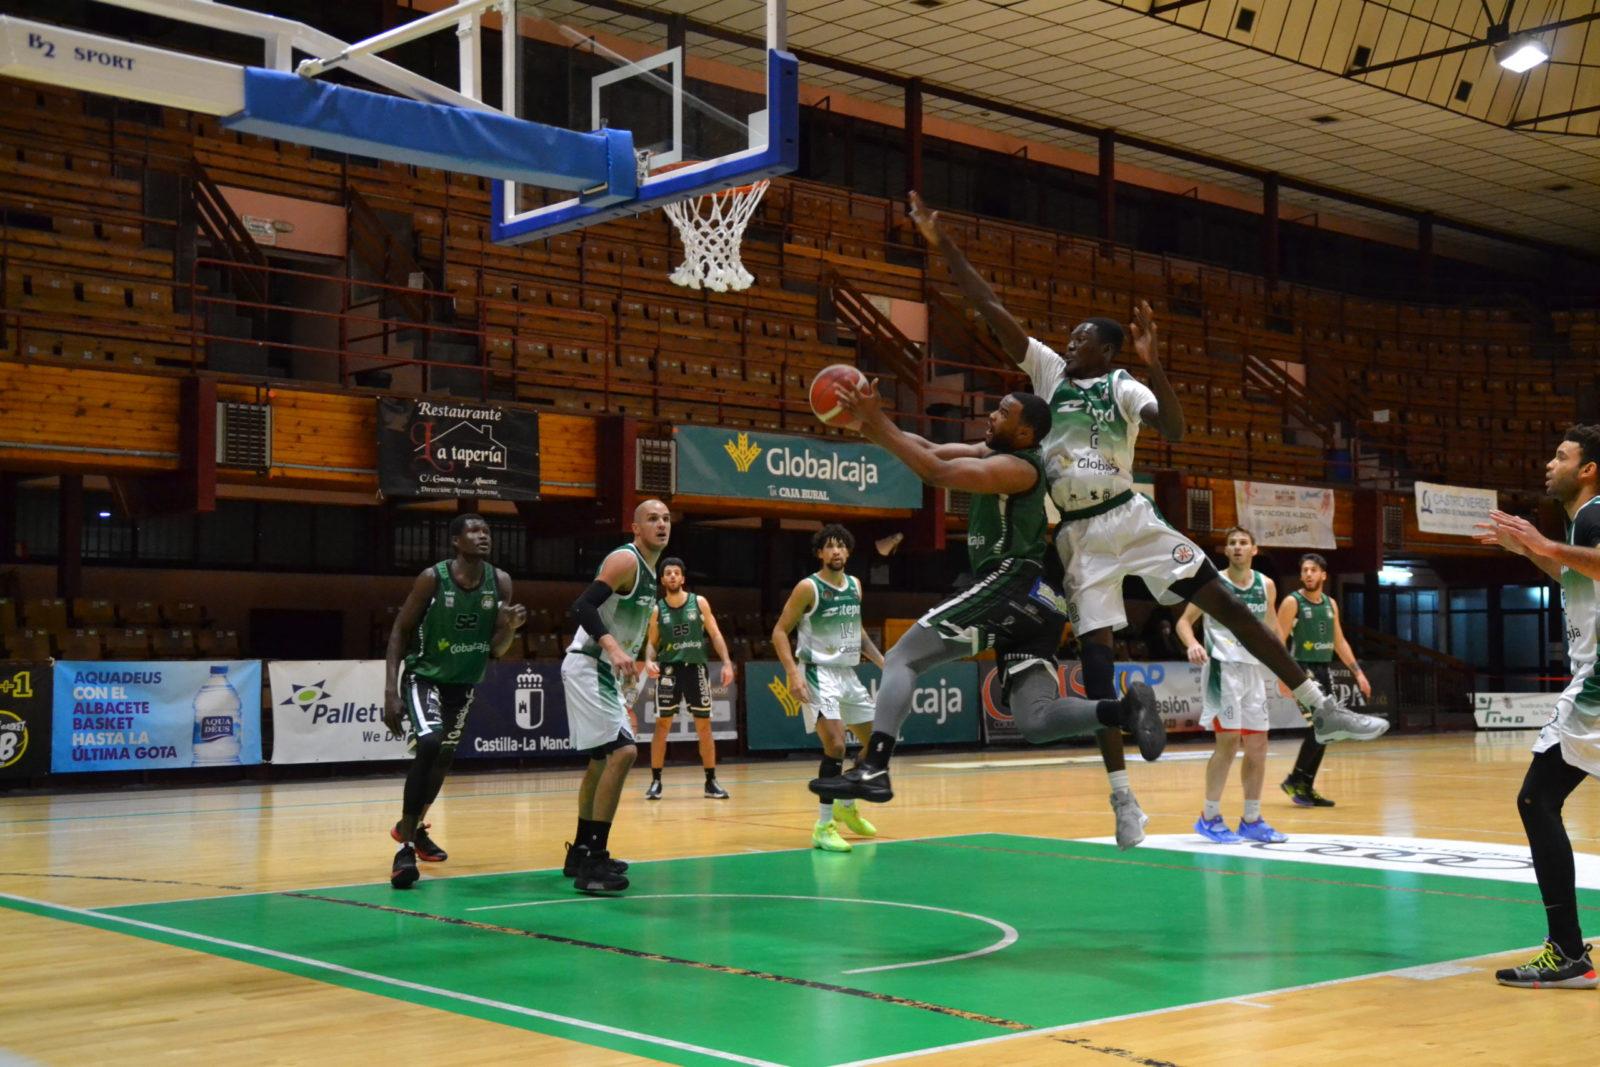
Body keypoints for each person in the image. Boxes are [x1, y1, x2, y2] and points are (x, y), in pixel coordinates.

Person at [906, 190, 1386, 848]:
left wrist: (1157, 362)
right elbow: (993, 312)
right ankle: (1123, 800)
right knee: (1099, 671)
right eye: (1069, 338)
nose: (1068, 343)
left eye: (1081, 339)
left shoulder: (1124, 386)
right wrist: (945, 246)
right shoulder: (1049, 373)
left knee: (1232, 605)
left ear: (1107, 352)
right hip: (1080, 539)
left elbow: (1180, 430)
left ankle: (1319, 707)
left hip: (1133, 516)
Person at [810, 384, 1166, 825]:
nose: (991, 415)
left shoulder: (1018, 468)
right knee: (1035, 721)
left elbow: (934, 474)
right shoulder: (990, 452)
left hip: (1011, 581)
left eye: (1003, 412)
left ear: (1025, 433)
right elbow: (928, 449)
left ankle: (875, 767)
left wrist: (877, 419)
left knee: (903, 656)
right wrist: (867, 424)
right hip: (1041, 603)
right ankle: (1123, 711)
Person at [1476, 424, 1600, 989]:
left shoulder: (1595, 513)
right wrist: (1531, 551)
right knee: (1540, 798)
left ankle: (1568, 952)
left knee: (1537, 798)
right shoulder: (1584, 523)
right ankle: (1568, 951)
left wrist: (1543, 542)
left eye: (1561, 455)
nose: (1550, 464)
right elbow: (1577, 573)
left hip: (1598, 682)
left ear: (1588, 468)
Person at [382, 514, 526, 890]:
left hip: (462, 684)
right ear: (455, 541)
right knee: (429, 744)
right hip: (424, 676)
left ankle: (409, 827)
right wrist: (390, 691)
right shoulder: (433, 578)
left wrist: (508, 630)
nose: (482, 537)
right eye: (474, 531)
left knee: (443, 757)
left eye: (487, 531)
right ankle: (406, 850)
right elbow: (401, 629)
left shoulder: (501, 582)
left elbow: (496, 650)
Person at [560, 498, 671, 894]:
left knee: (599, 763)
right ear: (635, 528)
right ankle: (595, 862)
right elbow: (582, 606)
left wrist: (634, 666)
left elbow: (631, 628)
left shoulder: (652, 573)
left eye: (665, 518)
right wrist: (613, 648)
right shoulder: (626, 561)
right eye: (652, 519)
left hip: (604, 670)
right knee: (623, 753)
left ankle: (581, 853)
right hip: (590, 663)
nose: (661, 524)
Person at [772, 525, 886, 852]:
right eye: (829, 547)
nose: (836, 552)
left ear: (848, 552)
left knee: (877, 745)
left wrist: (881, 661)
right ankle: (823, 826)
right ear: (820, 553)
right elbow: (780, 632)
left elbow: (858, 630)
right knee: (836, 746)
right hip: (817, 673)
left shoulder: (855, 586)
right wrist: (793, 674)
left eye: (841, 547)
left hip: (848, 673)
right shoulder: (808, 587)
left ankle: (845, 805)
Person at [1177, 527, 1287, 844]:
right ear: (1226, 551)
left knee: (1258, 746)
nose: (1237, 547)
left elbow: (1272, 628)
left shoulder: (1266, 586)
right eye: (1232, 544)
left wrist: (1286, 670)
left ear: (1254, 550)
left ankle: (1251, 819)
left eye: (1243, 543)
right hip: (1221, 670)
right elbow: (1184, 621)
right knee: (1228, 742)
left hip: (1253, 671)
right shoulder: (1213, 585)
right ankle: (1209, 817)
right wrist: (1192, 644)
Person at [1275, 553, 1373, 807]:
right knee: (1323, 724)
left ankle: (1304, 785)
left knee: (1327, 730)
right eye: (1305, 570)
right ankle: (1295, 779)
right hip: (1300, 670)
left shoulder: (1330, 604)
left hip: (1323, 669)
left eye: (1313, 570)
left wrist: (1358, 673)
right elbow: (1277, 641)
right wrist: (1282, 675)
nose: (1308, 574)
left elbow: (1339, 641)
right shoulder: (1292, 602)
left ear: (1323, 575)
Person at [642, 557, 735, 800]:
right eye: (668, 573)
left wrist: (726, 663)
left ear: (683, 578)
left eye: (676, 573)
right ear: (662, 580)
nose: (672, 576)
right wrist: (650, 660)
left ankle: (710, 781)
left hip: (696, 669)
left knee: (704, 726)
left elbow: (715, 634)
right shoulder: (657, 610)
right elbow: (652, 643)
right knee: (662, 726)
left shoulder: (699, 603)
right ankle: (656, 781)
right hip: (670, 672)